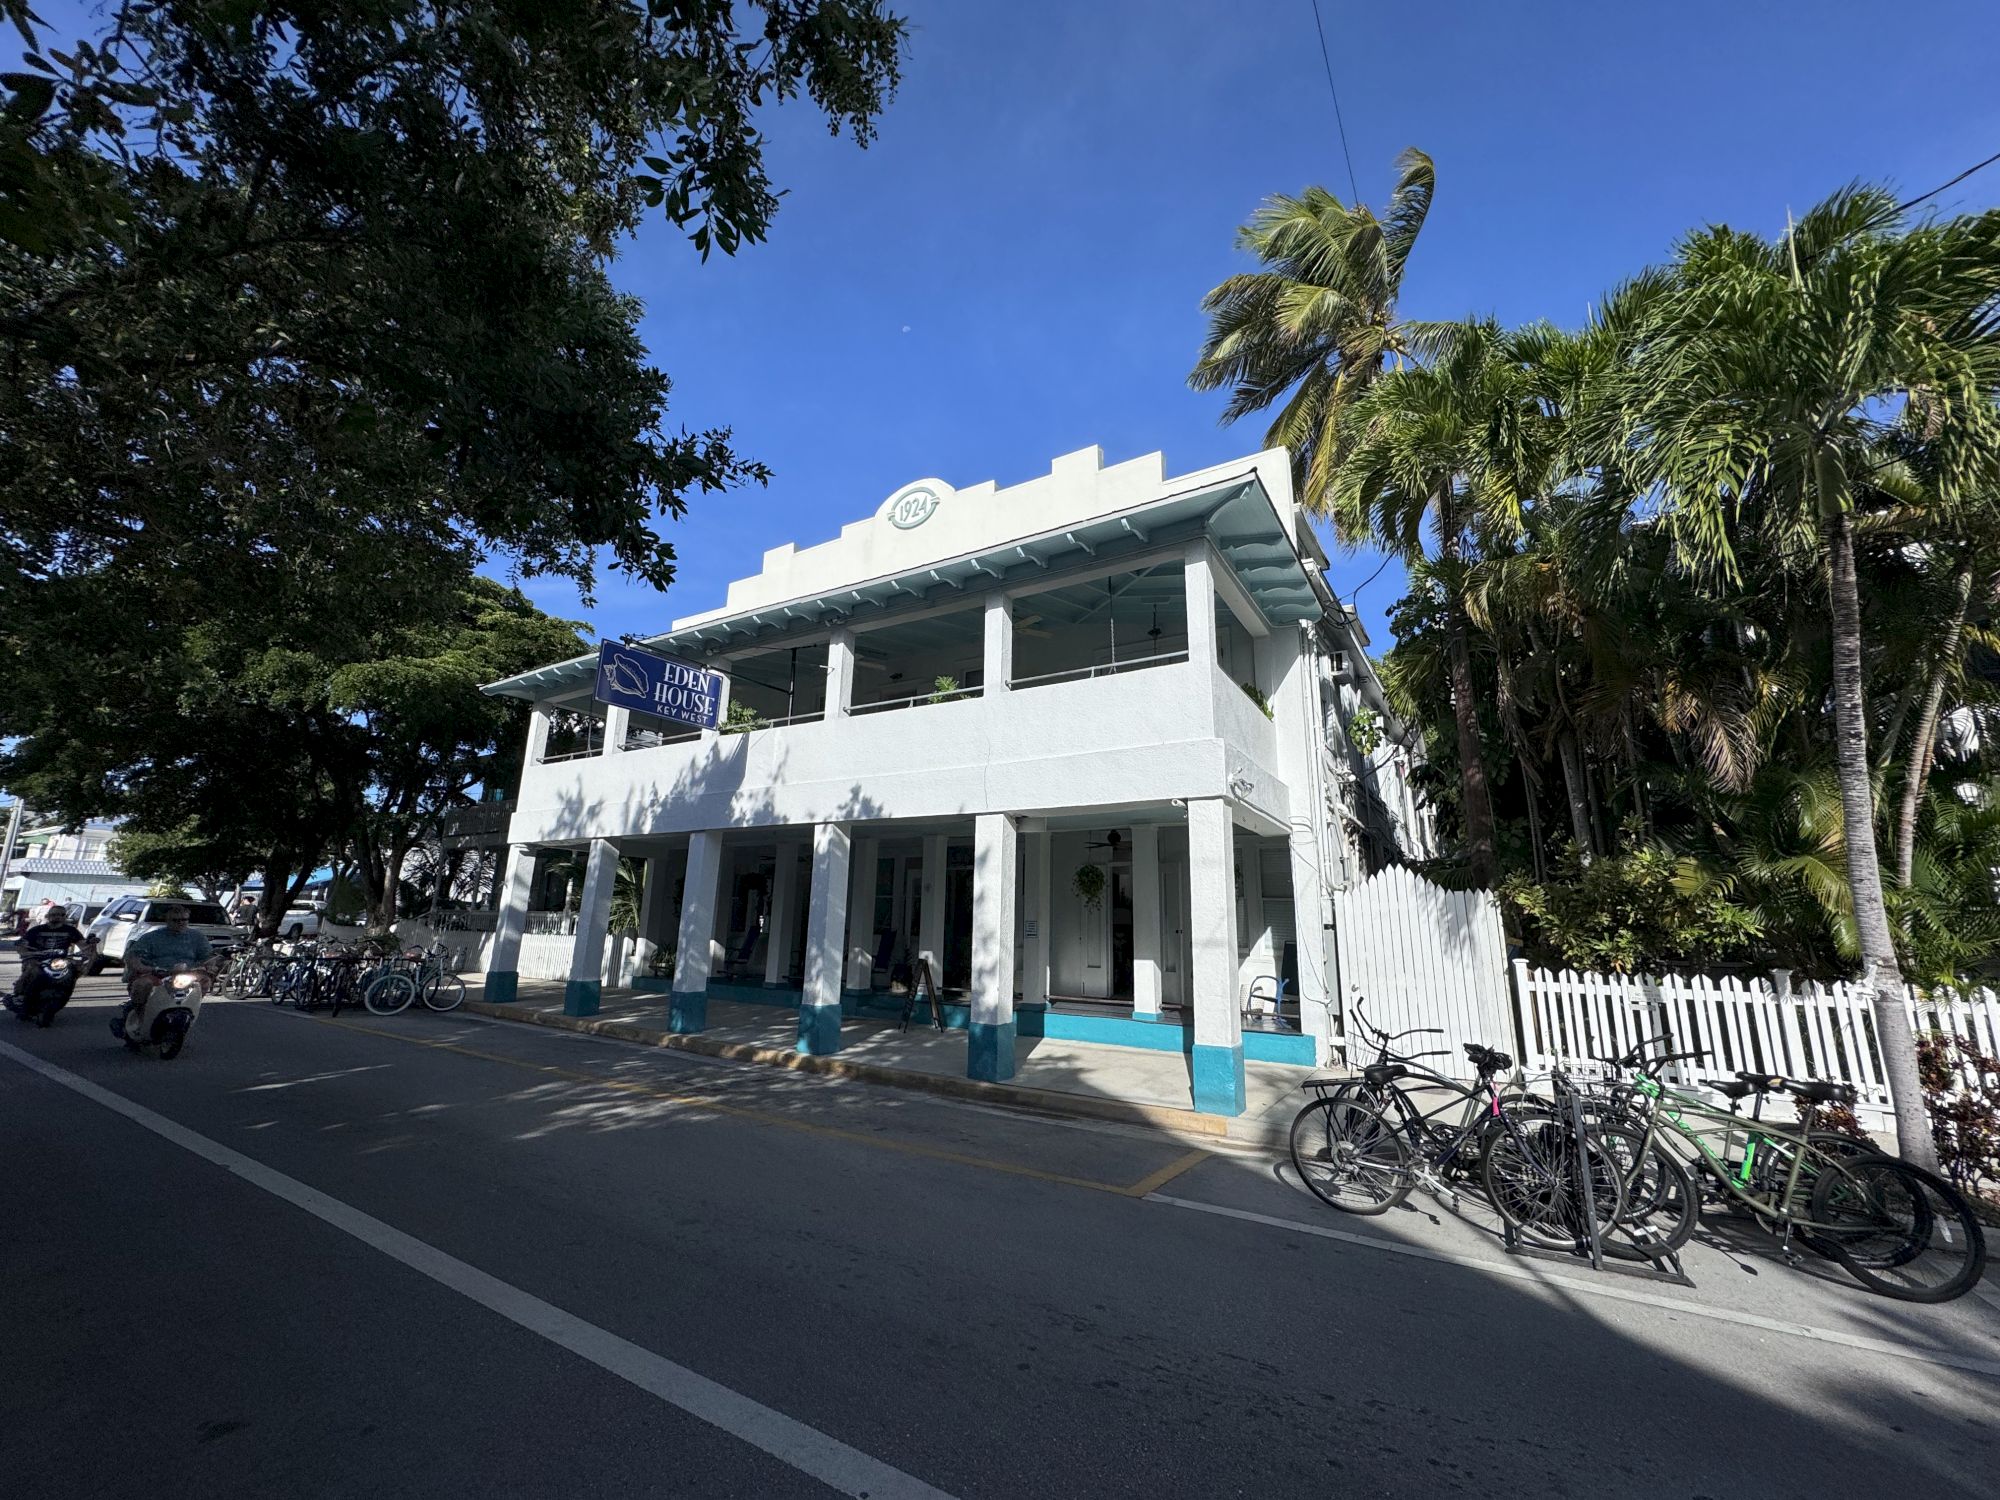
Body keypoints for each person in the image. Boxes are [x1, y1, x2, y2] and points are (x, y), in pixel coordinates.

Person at [115, 904, 216, 1039]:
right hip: (157, 973)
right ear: (167, 920)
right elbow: (133, 956)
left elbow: (209, 957)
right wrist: (142, 967)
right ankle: (140, 1018)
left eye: (184, 920)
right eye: (176, 920)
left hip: (186, 974)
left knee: (204, 981)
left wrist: (210, 966)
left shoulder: (197, 937)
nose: (180, 923)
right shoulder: (151, 937)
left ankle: (190, 1009)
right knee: (141, 985)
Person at [13, 905, 95, 995]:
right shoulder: (36, 930)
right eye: (54, 914)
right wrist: (25, 952)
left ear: (65, 917)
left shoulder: (71, 930)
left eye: (61, 914)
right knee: (32, 969)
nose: (58, 917)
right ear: (47, 916)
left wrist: (90, 945)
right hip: (37, 958)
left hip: (60, 960)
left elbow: (83, 944)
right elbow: (23, 944)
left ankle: (64, 991)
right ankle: (19, 994)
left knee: (73, 968)